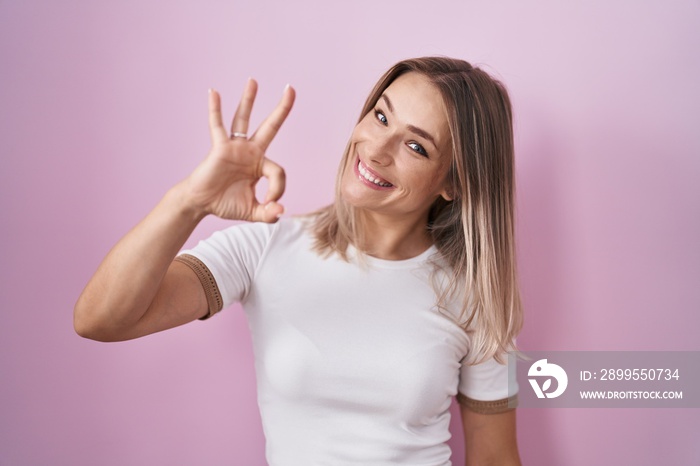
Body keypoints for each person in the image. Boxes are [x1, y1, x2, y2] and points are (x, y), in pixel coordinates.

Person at [75, 56, 523, 465]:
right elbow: (100, 320)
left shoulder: (477, 295)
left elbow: (494, 458)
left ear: (455, 182)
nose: (376, 149)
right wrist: (189, 202)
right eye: (381, 116)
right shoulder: (265, 248)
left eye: (416, 147)